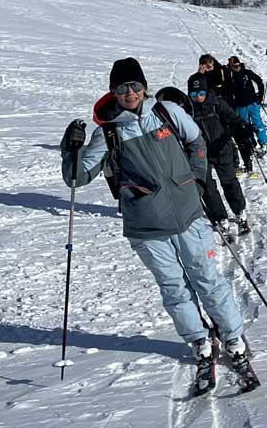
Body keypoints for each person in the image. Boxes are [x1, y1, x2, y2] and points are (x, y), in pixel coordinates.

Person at [59, 57, 252, 392]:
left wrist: (195, 178)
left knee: (208, 279)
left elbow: (197, 143)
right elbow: (76, 178)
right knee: (174, 288)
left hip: (189, 215)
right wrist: (70, 148)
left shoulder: (166, 112)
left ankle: (234, 338)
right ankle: (200, 341)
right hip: (147, 227)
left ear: (144, 87)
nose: (130, 93)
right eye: (122, 88)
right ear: (113, 92)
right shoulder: (108, 132)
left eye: (135, 85)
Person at [183, 74, 252, 237]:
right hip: (200, 154)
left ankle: (239, 212)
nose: (198, 97)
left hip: (222, 148)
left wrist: (243, 128)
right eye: (193, 94)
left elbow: (233, 118)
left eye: (201, 93)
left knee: (229, 182)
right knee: (207, 187)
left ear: (207, 91)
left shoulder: (217, 104)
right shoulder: (187, 111)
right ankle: (220, 218)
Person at [225, 55, 267, 172]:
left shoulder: (247, 73)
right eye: (234, 66)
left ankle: (263, 142)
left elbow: (260, 82)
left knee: (257, 123)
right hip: (240, 106)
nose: (236, 68)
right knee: (245, 127)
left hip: (253, 103)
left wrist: (260, 96)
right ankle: (251, 145)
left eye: (238, 65)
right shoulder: (230, 76)